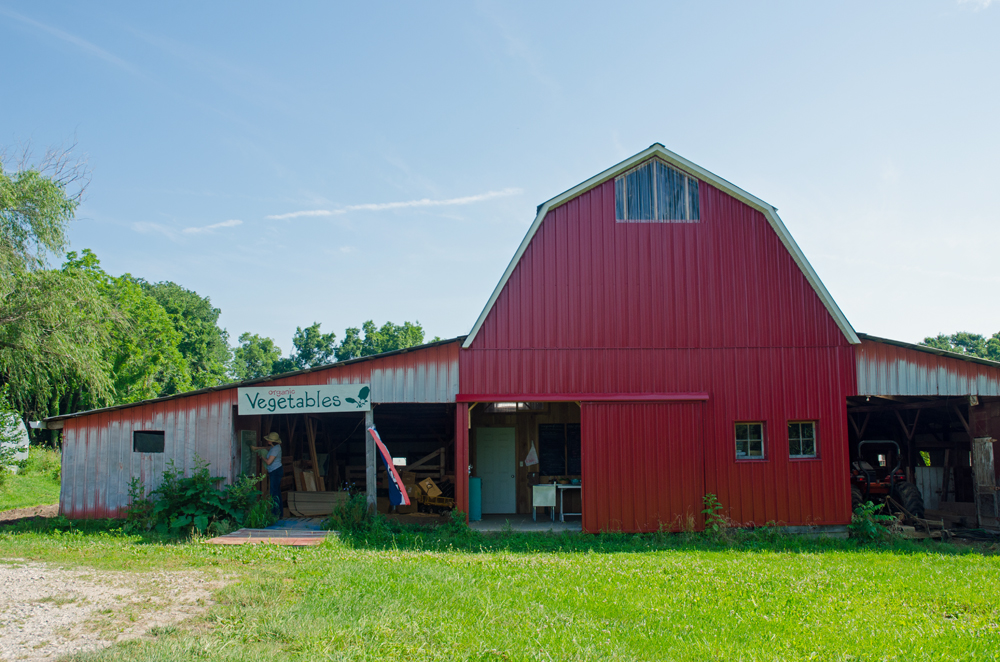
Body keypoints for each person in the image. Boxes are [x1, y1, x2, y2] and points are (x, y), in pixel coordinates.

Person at [257, 432, 283, 519]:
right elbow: (267, 448)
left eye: (269, 439)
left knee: (274, 492)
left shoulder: (275, 449)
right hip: (276, 470)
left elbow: (268, 462)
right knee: (277, 492)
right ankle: (279, 513)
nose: (267, 440)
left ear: (272, 441)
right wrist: (260, 448)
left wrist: (262, 456)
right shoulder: (274, 447)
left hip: (275, 471)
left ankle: (274, 513)